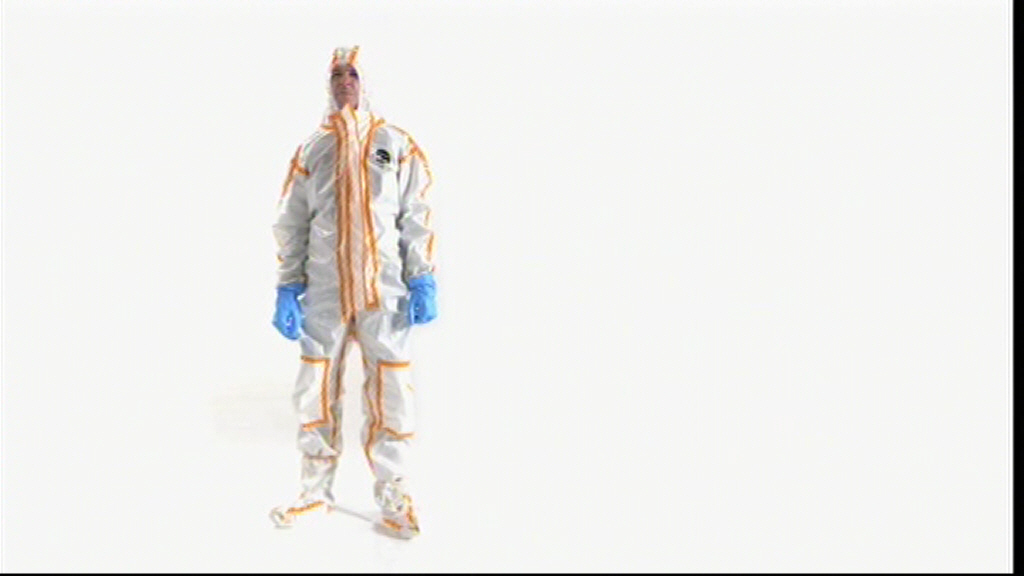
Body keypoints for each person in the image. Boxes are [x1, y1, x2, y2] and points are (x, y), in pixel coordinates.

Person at [269, 45, 437, 538]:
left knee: (393, 391)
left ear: (367, 82)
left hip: (386, 293)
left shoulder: (396, 143)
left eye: (353, 73)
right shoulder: (312, 150)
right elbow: (293, 221)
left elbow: (415, 214)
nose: (345, 81)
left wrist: (421, 275)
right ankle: (313, 492)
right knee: (315, 390)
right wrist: (288, 285)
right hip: (325, 291)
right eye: (337, 74)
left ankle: (394, 495)